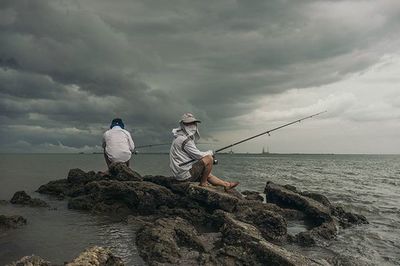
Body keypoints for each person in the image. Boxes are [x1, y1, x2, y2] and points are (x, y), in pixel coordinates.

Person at [169, 113, 239, 190]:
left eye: (193, 123)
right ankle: (203, 183)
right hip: (184, 175)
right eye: (188, 123)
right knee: (209, 159)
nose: (192, 125)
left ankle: (226, 185)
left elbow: (194, 155)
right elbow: (198, 155)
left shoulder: (178, 137)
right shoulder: (184, 140)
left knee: (207, 173)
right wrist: (210, 153)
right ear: (183, 125)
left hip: (180, 174)